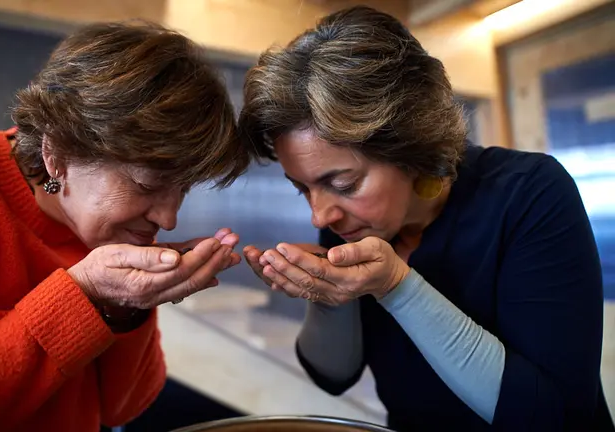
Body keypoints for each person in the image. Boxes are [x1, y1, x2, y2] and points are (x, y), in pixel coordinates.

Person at [0, 21, 249, 431]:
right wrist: (82, 294)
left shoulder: (105, 222)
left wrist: (126, 304)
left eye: (183, 190)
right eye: (148, 185)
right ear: (57, 152)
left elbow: (120, 409)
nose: (168, 218)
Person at [240, 5, 613, 431]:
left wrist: (396, 287)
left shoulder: (527, 192)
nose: (319, 215)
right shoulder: (352, 222)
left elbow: (553, 419)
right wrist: (329, 297)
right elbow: (333, 376)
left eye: (343, 183)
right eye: (302, 187)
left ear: (411, 147)